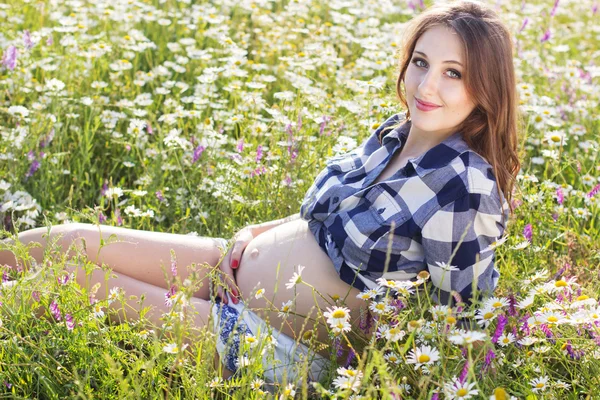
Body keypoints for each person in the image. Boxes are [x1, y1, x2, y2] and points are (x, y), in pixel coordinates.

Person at [0, 0, 521, 389]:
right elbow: (329, 220)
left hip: (267, 343)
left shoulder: (464, 184)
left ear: (485, 88)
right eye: (421, 62)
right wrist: (257, 234)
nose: (427, 85)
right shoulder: (395, 132)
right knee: (67, 240)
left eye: (454, 73)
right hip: (230, 266)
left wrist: (377, 379)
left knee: (68, 280)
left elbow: (468, 315)